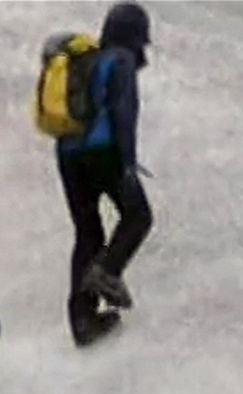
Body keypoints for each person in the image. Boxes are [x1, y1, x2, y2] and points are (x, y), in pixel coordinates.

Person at [55, 2, 154, 347]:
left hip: (68, 154)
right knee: (139, 216)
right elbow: (122, 111)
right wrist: (127, 162)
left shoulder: (87, 59)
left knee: (88, 232)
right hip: (105, 151)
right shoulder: (120, 60)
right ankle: (108, 273)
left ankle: (82, 320)